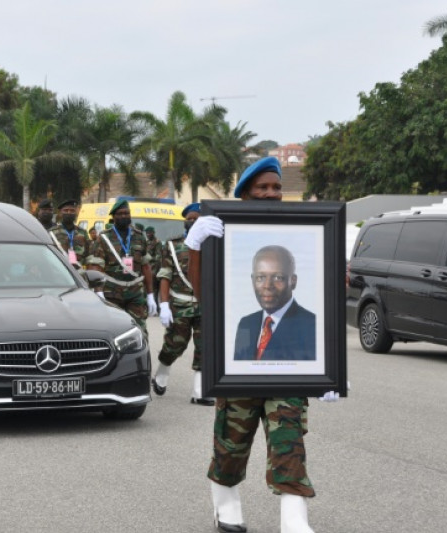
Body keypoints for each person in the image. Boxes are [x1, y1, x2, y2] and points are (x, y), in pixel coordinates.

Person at [184, 156, 339, 533]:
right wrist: (196, 246)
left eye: (276, 187)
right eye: (262, 188)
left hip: (289, 373)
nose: (271, 193)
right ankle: (225, 504)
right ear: (245, 195)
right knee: (231, 441)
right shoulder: (226, 236)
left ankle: (295, 519)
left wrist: (329, 369)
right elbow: (203, 292)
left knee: (289, 441)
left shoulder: (301, 233)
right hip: (238, 370)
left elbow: (326, 297)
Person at [153, 202, 213, 405]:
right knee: (175, 344)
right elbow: (165, 275)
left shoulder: (213, 243)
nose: (192, 222)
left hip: (205, 304)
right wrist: (164, 305)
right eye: (189, 219)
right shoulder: (172, 245)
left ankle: (199, 391)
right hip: (180, 303)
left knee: (205, 346)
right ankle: (162, 372)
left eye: (196, 219)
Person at [86, 199, 158, 336]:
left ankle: (141, 357)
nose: (124, 216)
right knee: (114, 332)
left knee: (140, 331)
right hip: (112, 292)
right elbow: (96, 266)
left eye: (127, 213)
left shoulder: (139, 236)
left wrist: (150, 295)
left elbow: (146, 267)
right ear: (113, 217)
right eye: (120, 214)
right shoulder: (104, 238)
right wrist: (99, 292)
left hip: (135, 292)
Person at [233, 245, 316, 361]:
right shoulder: (246, 324)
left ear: (293, 281)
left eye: (278, 277)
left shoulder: (313, 327)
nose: (267, 286)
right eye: (260, 278)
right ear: (252, 280)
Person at [48, 199, 90, 269]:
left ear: (76, 213)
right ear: (60, 213)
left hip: (78, 271)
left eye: (72, 211)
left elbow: (88, 253)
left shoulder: (82, 232)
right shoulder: (52, 232)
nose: (69, 213)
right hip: (59, 270)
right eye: (66, 210)